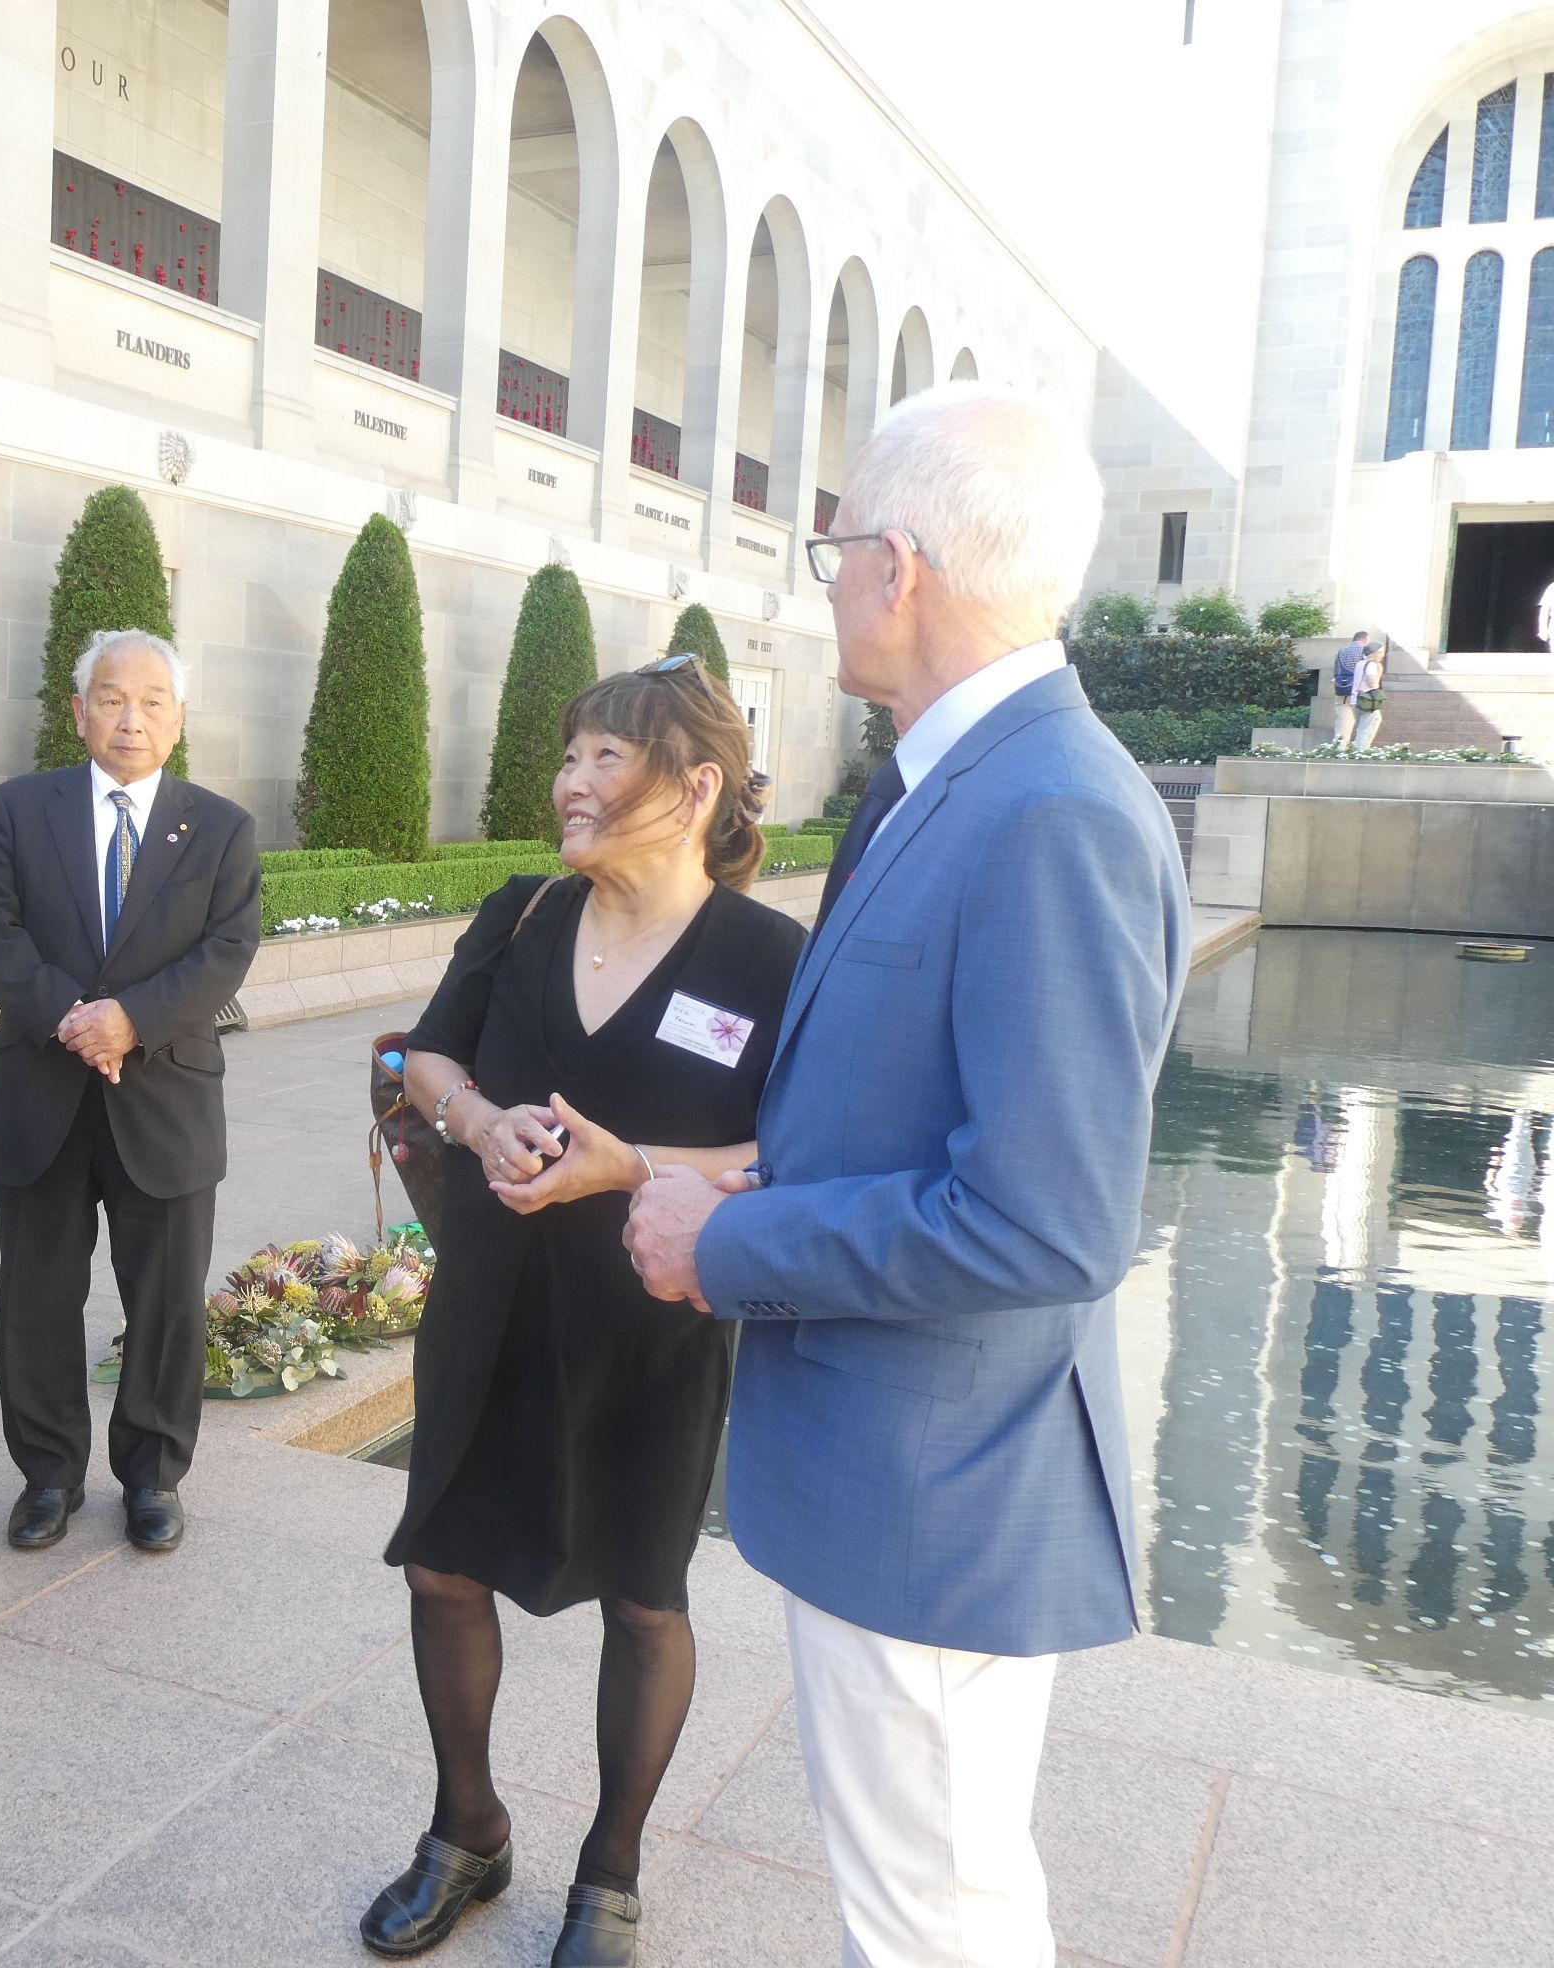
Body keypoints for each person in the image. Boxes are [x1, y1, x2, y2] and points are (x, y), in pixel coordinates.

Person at [625, 384, 1190, 1968]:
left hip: (942, 1493)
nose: (824, 582)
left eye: (831, 546)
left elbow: (1046, 1220)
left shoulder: (1051, 811)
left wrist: (729, 1251)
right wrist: (757, 1189)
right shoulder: (948, 777)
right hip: (909, 1470)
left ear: (902, 565)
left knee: (936, 1920)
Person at [358, 661, 805, 1968]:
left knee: (645, 1596)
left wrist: (640, 1173)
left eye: (609, 758)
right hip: (492, 1296)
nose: (571, 781)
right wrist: (479, 1117)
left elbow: (794, 1154)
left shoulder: (769, 958)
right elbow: (426, 1056)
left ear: (698, 785)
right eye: (571, 755)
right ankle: (467, 1831)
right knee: (443, 1559)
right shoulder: (523, 914)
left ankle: (609, 1876)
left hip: (655, 1316)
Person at [0, 629, 261, 1557]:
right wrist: (75, 1017)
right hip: (43, 1097)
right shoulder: (21, 807)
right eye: (110, 698)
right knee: (38, 1297)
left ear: (178, 718)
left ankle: (153, 1477)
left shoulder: (219, 827)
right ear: (79, 709)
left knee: (167, 1303)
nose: (130, 718)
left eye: (151, 702)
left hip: (164, 1097)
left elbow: (227, 951)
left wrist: (129, 1020)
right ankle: (47, 1475)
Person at [1330, 629, 1371, 748]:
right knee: (1365, 720)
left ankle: (1339, 747)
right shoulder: (1364, 652)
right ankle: (1360, 748)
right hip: (1359, 690)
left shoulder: (1341, 651)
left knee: (1343, 720)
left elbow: (1335, 671)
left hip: (1342, 688)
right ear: (1365, 640)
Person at [1348, 636, 1388, 749]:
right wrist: (1379, 672)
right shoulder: (1372, 665)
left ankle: (1358, 749)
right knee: (1367, 728)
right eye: (1381, 652)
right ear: (1375, 652)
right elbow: (1372, 683)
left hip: (1356, 700)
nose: (1382, 655)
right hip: (1367, 701)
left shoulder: (1360, 663)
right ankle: (1361, 752)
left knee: (1363, 727)